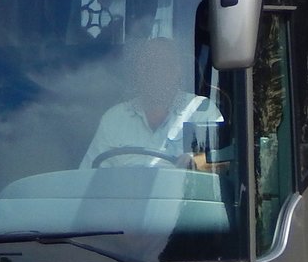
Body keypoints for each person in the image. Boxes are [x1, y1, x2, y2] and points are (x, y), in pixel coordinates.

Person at [81, 38, 220, 168]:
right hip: (125, 193)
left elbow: (222, 162)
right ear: (138, 73)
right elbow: (88, 175)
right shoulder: (114, 118)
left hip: (183, 192)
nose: (155, 72)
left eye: (163, 65)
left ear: (177, 70)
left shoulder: (201, 110)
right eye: (148, 65)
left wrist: (196, 162)